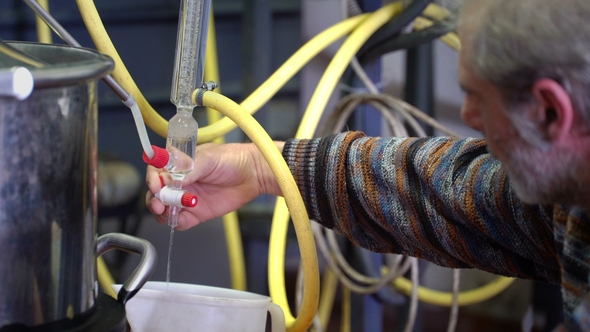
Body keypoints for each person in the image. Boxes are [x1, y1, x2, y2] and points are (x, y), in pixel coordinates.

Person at [146, 0, 590, 330]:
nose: (469, 119)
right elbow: (445, 196)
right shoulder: (571, 198)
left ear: (550, 111)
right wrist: (260, 167)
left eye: (476, 97)